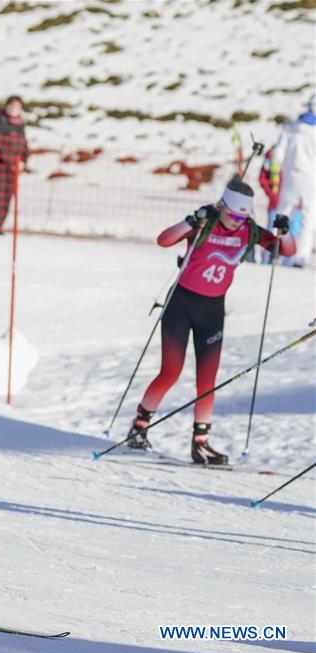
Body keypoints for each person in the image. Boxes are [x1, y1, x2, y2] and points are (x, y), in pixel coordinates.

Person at [127, 176, 296, 465]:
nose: (236, 223)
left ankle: (201, 444)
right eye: (231, 216)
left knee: (207, 381)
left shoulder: (250, 231)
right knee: (171, 371)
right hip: (180, 304)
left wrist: (285, 231)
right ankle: (139, 427)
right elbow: (164, 240)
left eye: (243, 217)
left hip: (212, 311)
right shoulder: (205, 223)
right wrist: (191, 221)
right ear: (222, 207)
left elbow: (286, 250)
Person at [269, 93, 315, 267]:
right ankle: (300, 257)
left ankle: (275, 251)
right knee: (308, 218)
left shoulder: (290, 128)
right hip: (311, 179)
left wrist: (280, 171)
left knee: (282, 214)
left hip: (290, 177)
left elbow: (277, 155)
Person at [0, 95, 29, 234]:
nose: (15, 109)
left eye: (17, 107)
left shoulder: (20, 124)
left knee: (7, 197)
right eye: (12, 106)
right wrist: (12, 162)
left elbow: (24, 145)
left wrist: (23, 160)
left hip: (13, 167)